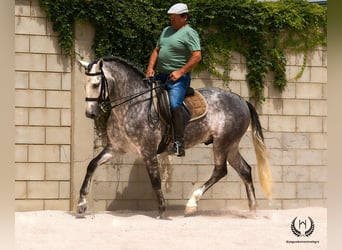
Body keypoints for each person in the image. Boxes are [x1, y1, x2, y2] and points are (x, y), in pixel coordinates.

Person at [146, 3, 202, 156]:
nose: (171, 20)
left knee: (174, 103)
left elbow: (197, 56)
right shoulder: (166, 30)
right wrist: (150, 67)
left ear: (184, 17)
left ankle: (178, 142)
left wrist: (180, 72)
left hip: (178, 78)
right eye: (170, 17)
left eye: (174, 18)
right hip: (160, 75)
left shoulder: (189, 33)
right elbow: (156, 50)